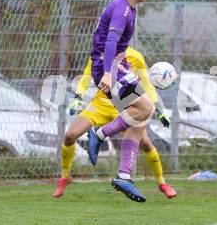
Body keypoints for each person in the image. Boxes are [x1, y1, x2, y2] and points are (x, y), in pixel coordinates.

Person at [52, 46, 177, 200]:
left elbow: (146, 84)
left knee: (145, 143)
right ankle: (65, 177)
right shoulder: (100, 52)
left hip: (125, 106)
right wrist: (78, 96)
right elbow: (86, 76)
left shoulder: (136, 56)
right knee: (70, 135)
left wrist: (159, 108)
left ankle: (162, 183)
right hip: (100, 105)